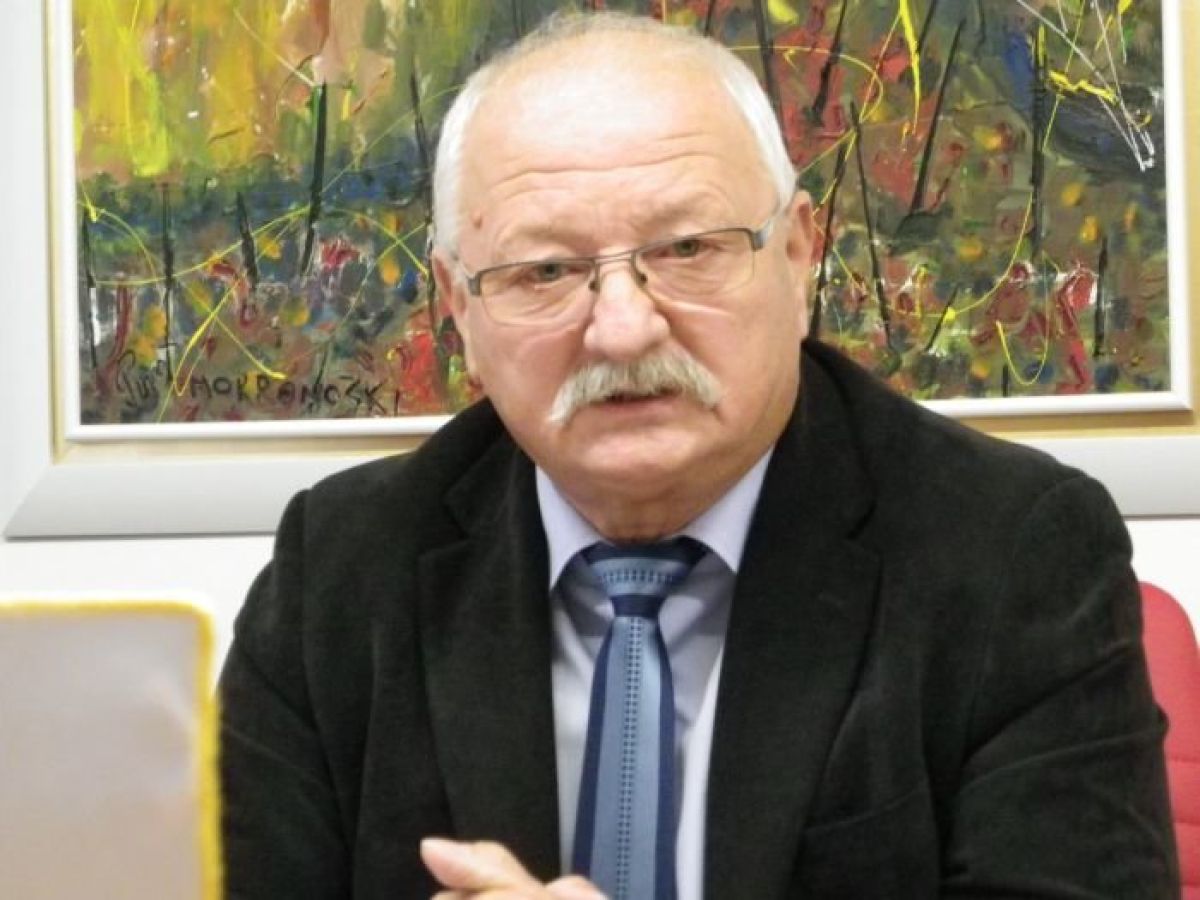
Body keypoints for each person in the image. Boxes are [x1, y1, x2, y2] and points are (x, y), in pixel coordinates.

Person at [218, 11, 1178, 899]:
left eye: (687, 249)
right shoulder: (341, 568)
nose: (624, 329)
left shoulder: (1009, 552)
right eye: (545, 270)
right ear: (459, 305)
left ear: (798, 255)